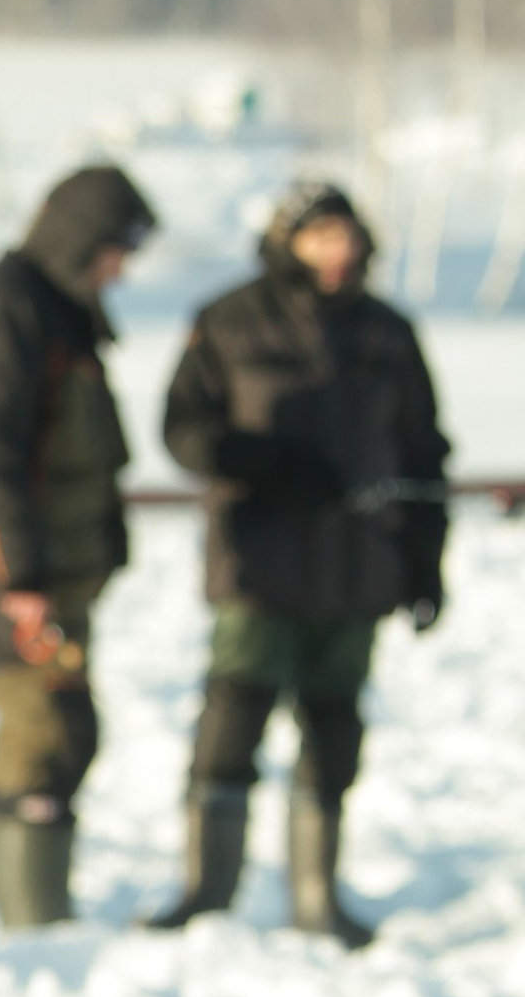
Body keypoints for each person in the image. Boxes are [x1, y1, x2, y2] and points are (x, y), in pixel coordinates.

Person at [150, 180, 448, 947]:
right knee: (232, 720)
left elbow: (423, 452)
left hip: (359, 568)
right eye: (320, 236)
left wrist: (425, 559)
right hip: (259, 563)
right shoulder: (228, 319)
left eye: (347, 235)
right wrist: (261, 461)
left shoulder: (388, 333)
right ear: (288, 240)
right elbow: (183, 430)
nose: (337, 251)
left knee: (334, 728)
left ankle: (318, 896)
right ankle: (206, 891)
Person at [0, 165, 157, 926]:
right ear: (78, 236)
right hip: (16, 573)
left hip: (60, 569)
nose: (120, 269)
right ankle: (29, 927)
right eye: (114, 249)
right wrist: (19, 574)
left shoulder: (63, 306)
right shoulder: (8, 305)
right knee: (46, 731)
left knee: (70, 731)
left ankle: (41, 913)